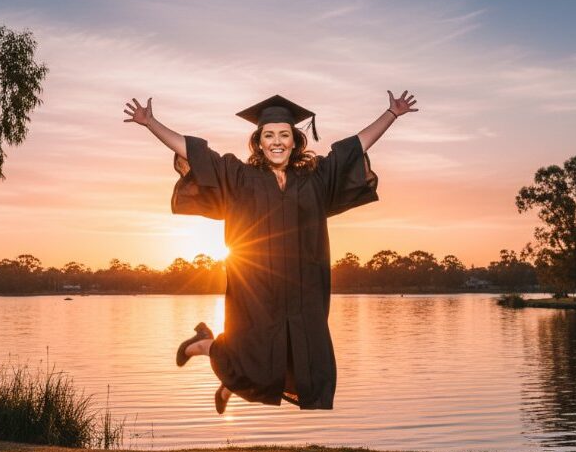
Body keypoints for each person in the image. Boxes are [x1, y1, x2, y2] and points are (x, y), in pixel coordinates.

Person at [123, 91, 418, 414]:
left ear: (295, 141)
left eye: (284, 135)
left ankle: (226, 383)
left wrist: (391, 114)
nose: (277, 141)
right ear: (259, 142)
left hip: (303, 288)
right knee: (253, 354)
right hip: (256, 286)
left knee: (303, 361)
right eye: (269, 135)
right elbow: (195, 155)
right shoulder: (241, 177)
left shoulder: (315, 178)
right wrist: (150, 122)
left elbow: (354, 148)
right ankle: (205, 345)